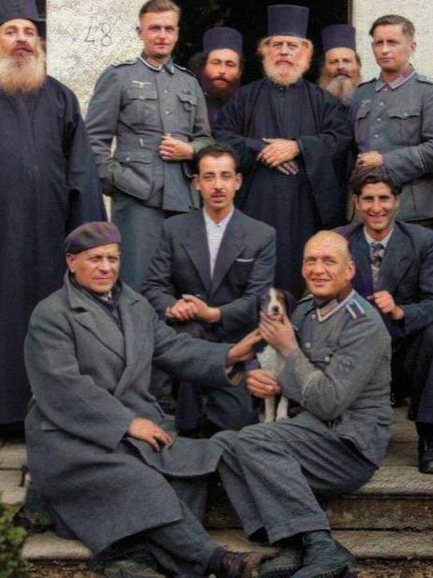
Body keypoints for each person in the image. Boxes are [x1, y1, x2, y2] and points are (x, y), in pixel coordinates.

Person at [24, 222, 268, 578]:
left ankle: (141, 562)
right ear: (71, 262)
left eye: (113, 258)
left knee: (191, 467)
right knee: (142, 481)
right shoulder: (52, 314)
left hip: (134, 428)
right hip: (71, 436)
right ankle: (220, 561)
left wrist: (229, 355)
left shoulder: (134, 304)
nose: (106, 267)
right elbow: (66, 388)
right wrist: (127, 423)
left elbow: (171, 348)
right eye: (95, 259)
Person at [0, 0, 106, 430]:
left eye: (29, 32)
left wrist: (90, 240)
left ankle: (44, 410)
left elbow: (82, 173)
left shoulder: (60, 97)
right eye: (10, 31)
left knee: (45, 322)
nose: (21, 39)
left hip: (45, 237)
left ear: (41, 43)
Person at [212, 231, 391, 578]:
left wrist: (291, 349)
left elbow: (327, 403)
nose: (318, 269)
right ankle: (291, 547)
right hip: (304, 434)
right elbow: (274, 365)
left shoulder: (363, 324)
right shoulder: (305, 310)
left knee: (253, 439)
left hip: (347, 446)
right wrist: (257, 378)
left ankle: (322, 545)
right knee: (224, 444)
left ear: (349, 270)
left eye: (329, 261)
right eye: (311, 260)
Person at [215, 4, 352, 295]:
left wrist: (298, 147)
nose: (284, 52)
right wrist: (259, 149)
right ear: (264, 51)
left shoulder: (322, 100)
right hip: (256, 206)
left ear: (305, 52)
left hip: (305, 210)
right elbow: (221, 138)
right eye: (277, 45)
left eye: (292, 45)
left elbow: (341, 138)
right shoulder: (244, 97)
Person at [141, 144, 277, 435]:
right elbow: (153, 285)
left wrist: (213, 313)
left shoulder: (261, 235)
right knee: (190, 338)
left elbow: (257, 300)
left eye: (225, 176)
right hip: (185, 340)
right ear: (196, 183)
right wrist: (172, 306)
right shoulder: (173, 229)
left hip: (234, 342)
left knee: (235, 422)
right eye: (209, 177)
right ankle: (187, 430)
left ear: (237, 182)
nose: (218, 185)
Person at [86, 0, 213, 289]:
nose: (162, 35)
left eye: (169, 29)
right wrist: (116, 181)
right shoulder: (119, 77)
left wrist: (190, 150)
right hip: (136, 199)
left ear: (177, 34)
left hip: (182, 200)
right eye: (154, 28)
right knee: (136, 283)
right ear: (140, 32)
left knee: (181, 285)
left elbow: (206, 140)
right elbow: (94, 141)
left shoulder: (188, 82)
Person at [337, 168, 433, 475]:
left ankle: (428, 438)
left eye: (384, 199)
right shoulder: (338, 241)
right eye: (369, 199)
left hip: (402, 351)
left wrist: (401, 311)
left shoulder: (423, 240)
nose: (377, 208)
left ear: (397, 201)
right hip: (355, 353)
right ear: (357, 203)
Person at [350, 14, 433, 228]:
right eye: (379, 43)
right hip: (366, 213)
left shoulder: (430, 92)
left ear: (412, 46)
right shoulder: (362, 94)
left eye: (393, 42)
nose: (385, 49)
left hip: (412, 212)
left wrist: (385, 161)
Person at [196, 26, 244, 129]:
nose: (222, 70)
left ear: (240, 71)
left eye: (230, 64)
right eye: (216, 63)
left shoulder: (248, 107)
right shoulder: (190, 104)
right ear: (203, 67)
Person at [316, 24, 362, 105]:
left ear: (358, 65)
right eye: (334, 62)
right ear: (323, 68)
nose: (340, 67)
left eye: (346, 61)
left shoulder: (371, 99)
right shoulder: (312, 102)